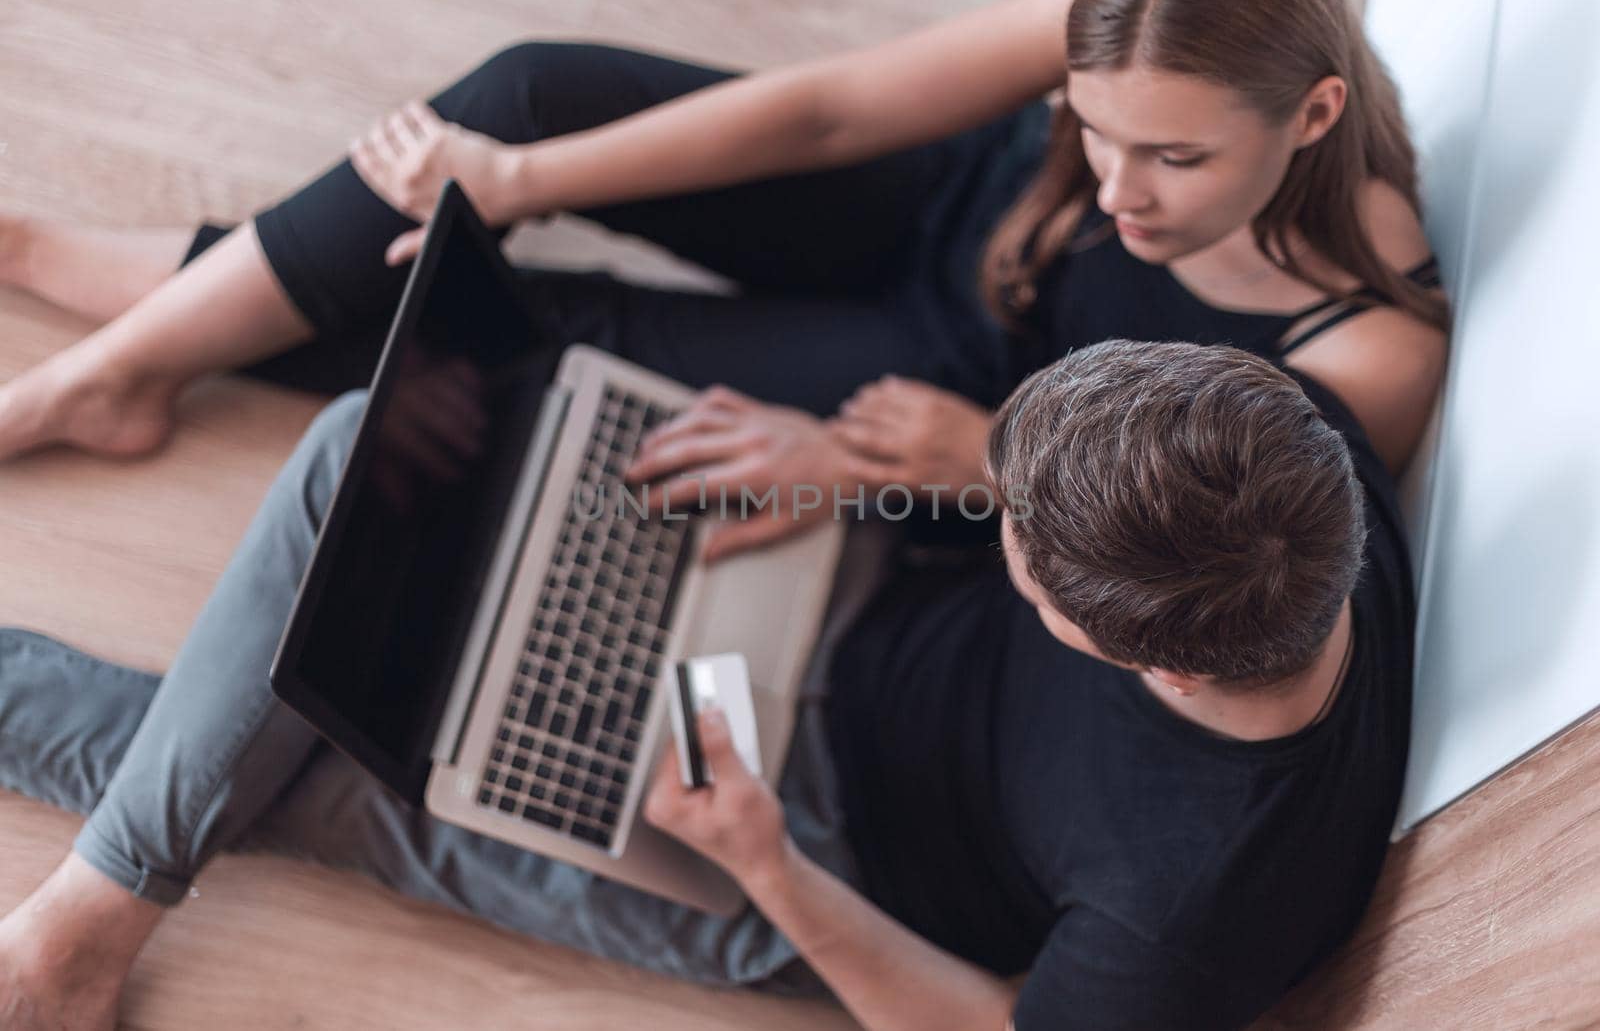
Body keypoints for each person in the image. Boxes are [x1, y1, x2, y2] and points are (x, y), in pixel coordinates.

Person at [0, 337, 1412, 1030]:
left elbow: (989, 1023)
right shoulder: (1293, 459)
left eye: (1029, 562)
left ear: (1154, 661)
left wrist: (766, 861)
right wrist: (850, 470)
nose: (1009, 536)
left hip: (814, 858)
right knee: (371, 448)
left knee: (343, 748)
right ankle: (95, 912)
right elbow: (1011, 494)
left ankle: (78, 934)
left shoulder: (1193, 921)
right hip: (838, 588)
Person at [0, 0, 1445, 517]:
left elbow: (1183, 553)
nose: (1121, 189)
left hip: (954, 383)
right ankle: (102, 367)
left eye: (1176, 158)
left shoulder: (1365, 352)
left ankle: (104, 339)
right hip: (945, 202)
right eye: (1095, 123)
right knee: (518, 103)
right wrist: (515, 175)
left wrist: (981, 465)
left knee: (560, 347)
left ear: (1314, 114)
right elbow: (822, 114)